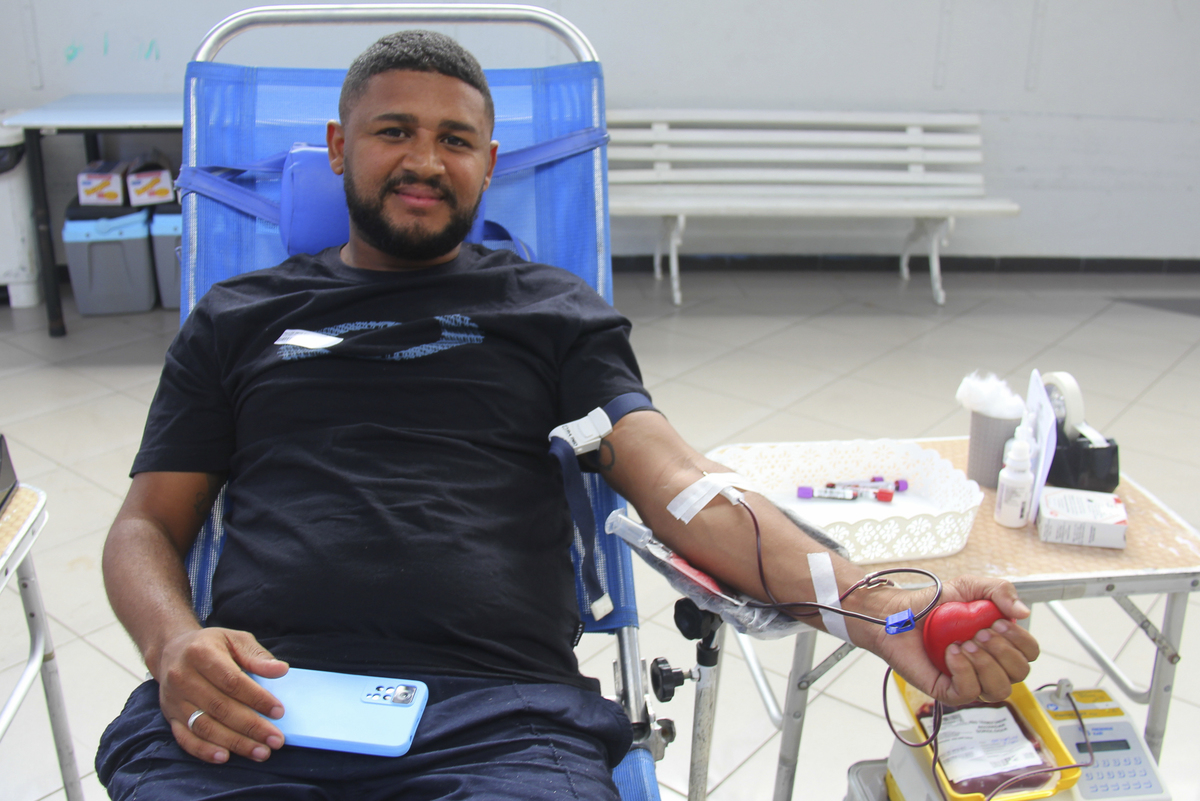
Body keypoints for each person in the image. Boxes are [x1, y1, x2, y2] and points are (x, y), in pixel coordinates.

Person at [97, 30, 1039, 801]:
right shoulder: (240, 317)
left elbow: (678, 483)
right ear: (339, 146)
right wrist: (174, 643)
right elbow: (145, 525)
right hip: (261, 701)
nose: (424, 160)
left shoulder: (551, 313)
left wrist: (874, 605)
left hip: (503, 724)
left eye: (455, 140)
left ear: (488, 163)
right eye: (394, 131)